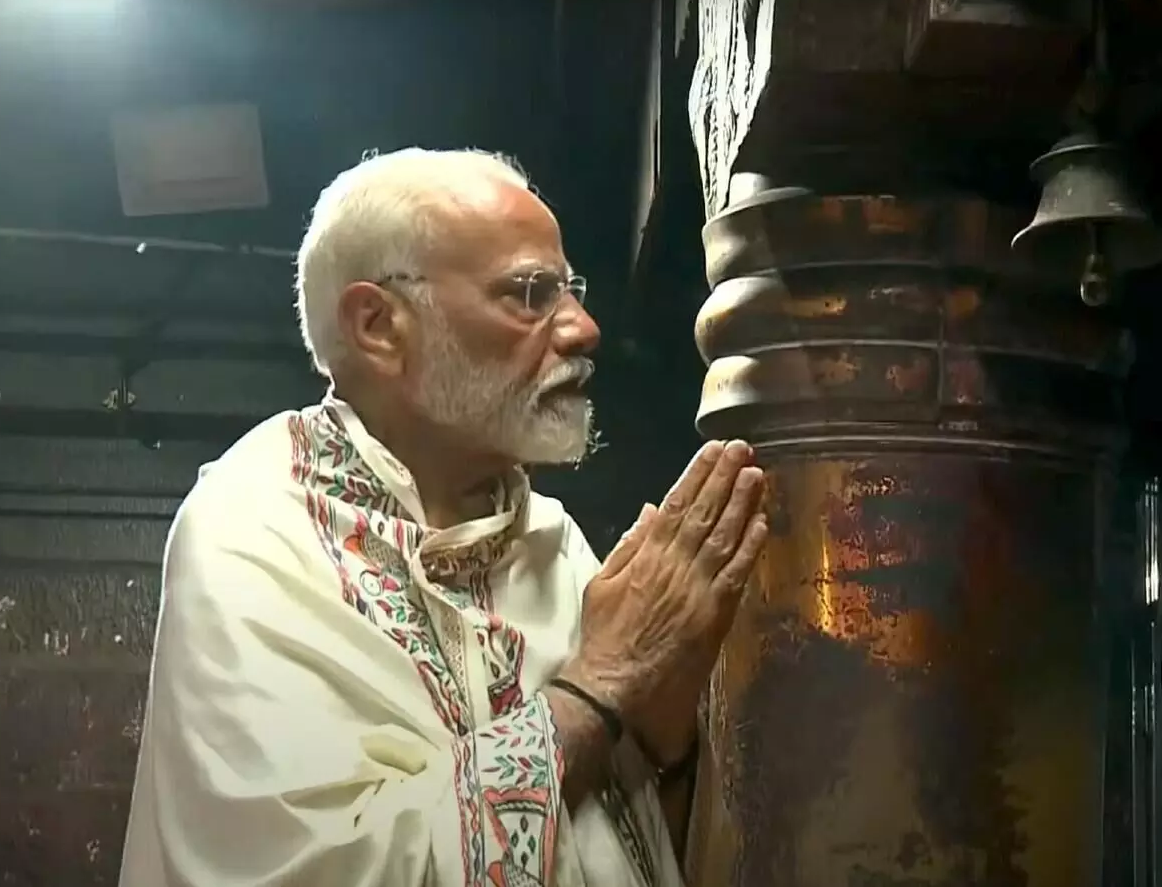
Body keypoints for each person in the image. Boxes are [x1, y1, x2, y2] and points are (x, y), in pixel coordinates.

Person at [118, 147, 768, 887]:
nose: (584, 328)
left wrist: (670, 736)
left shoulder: (554, 546)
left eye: (571, 290)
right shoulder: (254, 532)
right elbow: (305, 871)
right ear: (379, 325)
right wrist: (601, 684)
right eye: (530, 293)